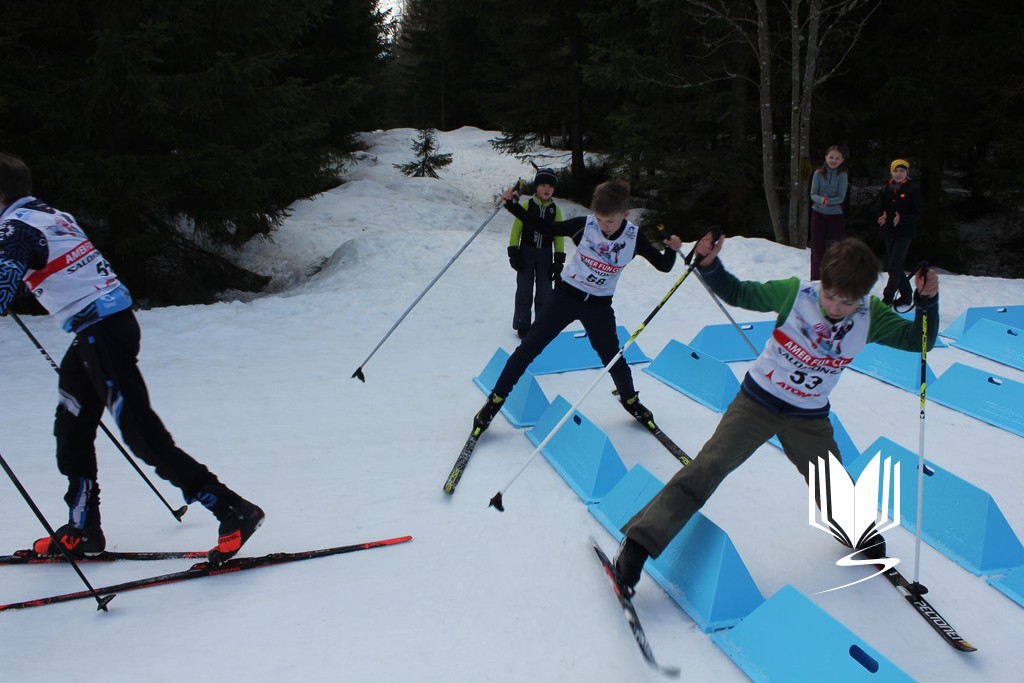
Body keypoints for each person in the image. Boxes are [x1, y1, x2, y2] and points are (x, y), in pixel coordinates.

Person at [612, 234, 939, 595]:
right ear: (822, 282)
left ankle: (856, 529)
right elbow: (741, 293)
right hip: (758, 402)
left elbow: (918, 340)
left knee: (830, 479)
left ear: (861, 297)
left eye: (847, 302)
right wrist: (710, 265)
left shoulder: (869, 315)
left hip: (808, 416)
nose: (835, 307)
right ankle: (639, 544)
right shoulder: (797, 294)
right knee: (708, 466)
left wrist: (928, 303)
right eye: (830, 295)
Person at [0, 153, 263, 564]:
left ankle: (231, 508)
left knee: (141, 434)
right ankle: (83, 528)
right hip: (98, 330)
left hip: (102, 332)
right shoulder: (46, 216)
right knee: (71, 426)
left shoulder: (17, 229)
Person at [473, 179, 683, 435]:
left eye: (610, 221)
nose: (604, 226)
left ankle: (630, 400)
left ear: (625, 214)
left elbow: (664, 266)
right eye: (600, 219)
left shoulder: (633, 237)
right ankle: (494, 401)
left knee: (613, 358)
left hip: (598, 306)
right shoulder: (586, 225)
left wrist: (672, 250)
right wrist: (512, 205)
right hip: (565, 297)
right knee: (527, 349)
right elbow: (545, 228)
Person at [507, 169, 566, 339]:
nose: (547, 189)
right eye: (543, 185)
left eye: (550, 187)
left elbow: (559, 235)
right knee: (524, 290)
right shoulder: (527, 206)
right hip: (526, 252)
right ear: (537, 187)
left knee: (545, 292)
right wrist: (514, 252)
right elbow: (516, 229)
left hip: (545, 255)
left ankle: (541, 324)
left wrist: (559, 259)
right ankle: (522, 324)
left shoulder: (555, 210)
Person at [876, 158, 924, 309]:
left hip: (905, 233)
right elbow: (880, 208)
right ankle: (906, 295)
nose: (898, 174)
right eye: (895, 171)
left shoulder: (912, 189)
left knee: (893, 266)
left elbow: (918, 213)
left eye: (902, 171)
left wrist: (902, 218)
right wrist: (882, 215)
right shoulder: (886, 189)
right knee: (896, 266)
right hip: (890, 232)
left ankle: (887, 298)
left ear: (907, 173)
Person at [809, 145, 849, 280]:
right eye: (831, 157)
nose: (833, 161)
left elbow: (841, 197)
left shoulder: (843, 176)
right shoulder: (818, 174)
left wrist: (828, 201)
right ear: (826, 158)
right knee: (816, 249)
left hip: (836, 215)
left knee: (840, 248)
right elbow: (813, 194)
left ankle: (840, 280)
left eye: (837, 158)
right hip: (818, 214)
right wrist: (821, 200)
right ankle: (815, 281)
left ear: (842, 160)